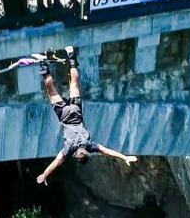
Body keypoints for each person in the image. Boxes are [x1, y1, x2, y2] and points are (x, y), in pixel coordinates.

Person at [37, 47, 137, 184]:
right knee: (52, 92)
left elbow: (107, 151)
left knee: (74, 85)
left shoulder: (90, 146)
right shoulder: (70, 149)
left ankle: (71, 56)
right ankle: (43, 63)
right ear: (78, 156)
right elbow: (57, 162)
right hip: (64, 115)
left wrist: (124, 157)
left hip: (76, 111)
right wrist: (45, 174)